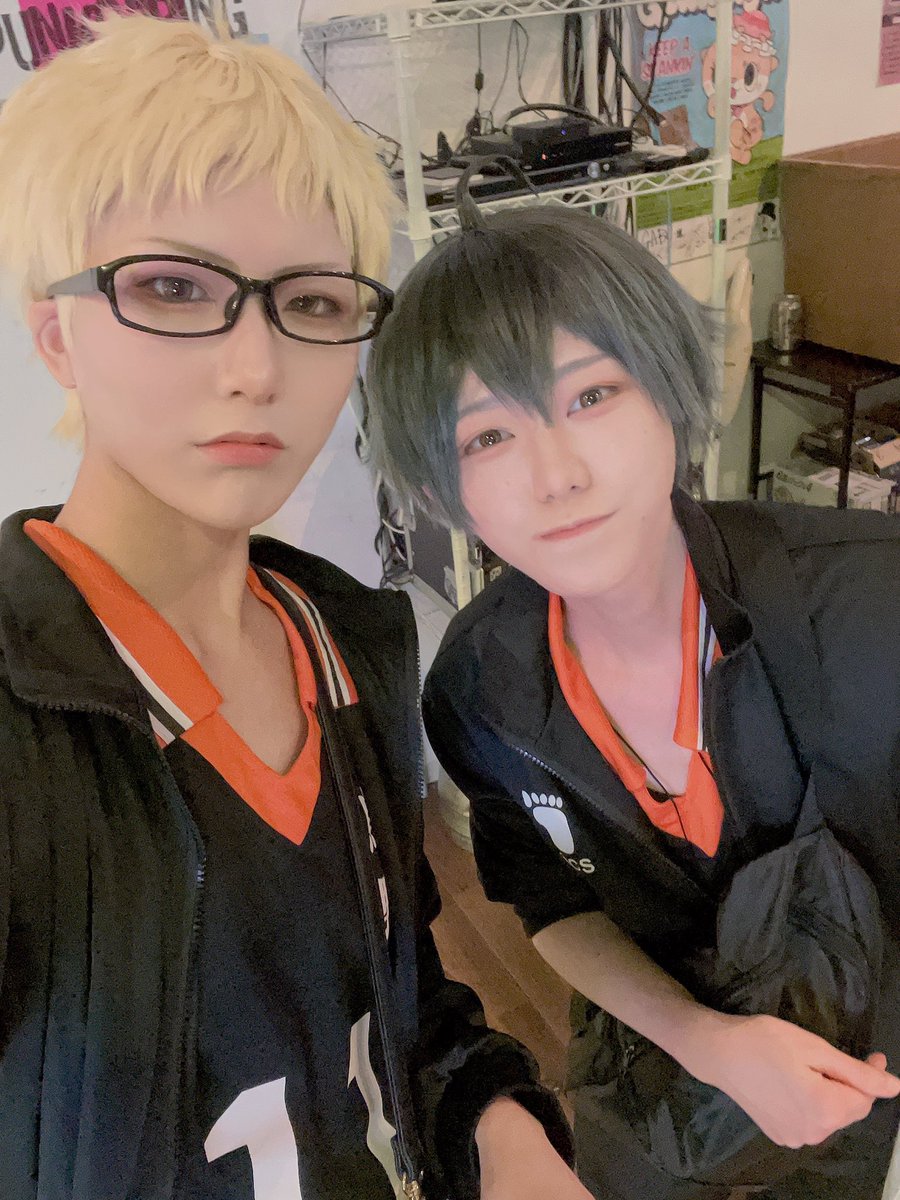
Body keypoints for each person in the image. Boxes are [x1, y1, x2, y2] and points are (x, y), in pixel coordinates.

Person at [0, 16, 593, 1200]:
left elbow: (399, 1017)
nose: (257, 368)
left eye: (314, 304)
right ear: (57, 333)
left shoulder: (352, 648)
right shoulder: (23, 727)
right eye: (173, 288)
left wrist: (508, 1135)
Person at [365, 204, 900, 1200]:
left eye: (592, 394)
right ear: (441, 495)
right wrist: (708, 1043)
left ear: (674, 389)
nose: (557, 475)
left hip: (861, 1070)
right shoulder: (479, 693)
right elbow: (552, 901)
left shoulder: (869, 605)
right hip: (651, 1075)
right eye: (488, 435)